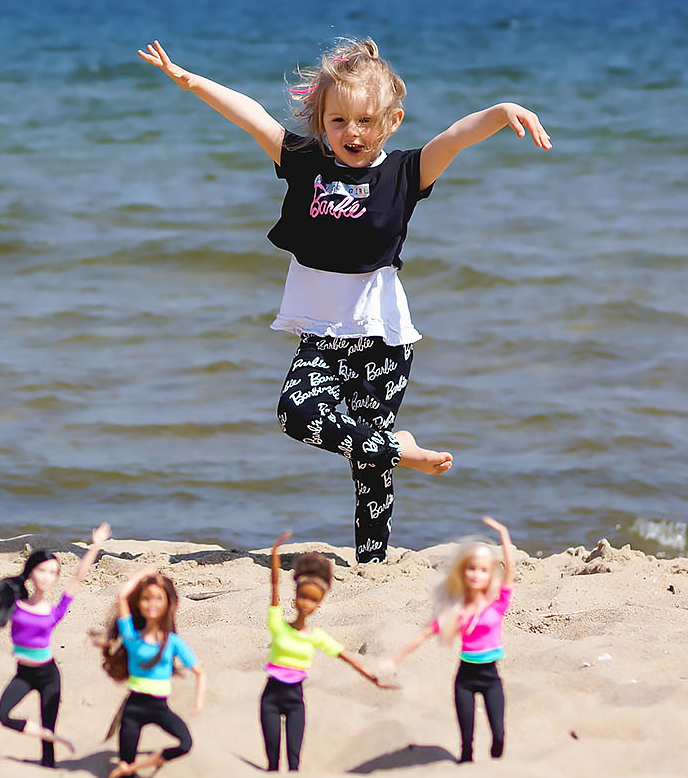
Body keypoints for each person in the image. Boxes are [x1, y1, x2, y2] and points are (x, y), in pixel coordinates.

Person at [139, 37, 552, 563]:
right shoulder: (305, 161)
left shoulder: (405, 173)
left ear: (390, 120)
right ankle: (400, 448)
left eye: (363, 121)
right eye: (337, 121)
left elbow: (453, 139)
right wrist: (190, 80)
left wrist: (500, 112)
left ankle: (372, 562)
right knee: (295, 413)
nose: (350, 133)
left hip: (382, 337)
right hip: (323, 335)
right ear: (322, 120)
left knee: (367, 466)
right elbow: (253, 118)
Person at [0, 524, 111, 767]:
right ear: (31, 571)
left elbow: (79, 575)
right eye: (42, 570)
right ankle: (52, 736)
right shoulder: (14, 605)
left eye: (53, 572)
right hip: (24, 675)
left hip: (48, 675)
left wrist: (96, 544)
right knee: (4, 715)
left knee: (48, 740)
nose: (47, 577)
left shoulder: (54, 611)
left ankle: (49, 758)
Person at [259, 531, 397, 772]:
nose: (305, 603)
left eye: (312, 600)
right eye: (302, 596)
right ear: (296, 595)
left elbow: (346, 657)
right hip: (270, 697)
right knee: (272, 760)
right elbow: (274, 591)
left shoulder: (316, 636)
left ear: (319, 603)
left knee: (294, 761)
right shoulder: (278, 626)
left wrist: (373, 678)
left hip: (295, 701)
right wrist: (274, 554)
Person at [392, 516, 515, 763]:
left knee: (499, 735)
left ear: (490, 575)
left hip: (491, 678)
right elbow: (426, 633)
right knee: (466, 743)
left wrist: (503, 533)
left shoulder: (498, 605)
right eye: (471, 568)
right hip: (465, 678)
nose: (476, 575)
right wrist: (396, 658)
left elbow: (510, 568)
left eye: (483, 570)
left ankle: (495, 753)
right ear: (463, 572)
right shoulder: (457, 611)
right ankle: (467, 764)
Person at [98, 567, 206, 778]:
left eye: (158, 598)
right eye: (146, 598)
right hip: (133, 709)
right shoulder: (131, 636)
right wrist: (143, 574)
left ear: (169, 604)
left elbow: (199, 671)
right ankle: (128, 771)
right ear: (138, 603)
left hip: (159, 707)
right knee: (125, 773)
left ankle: (135, 767)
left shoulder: (172, 641)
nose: (152, 604)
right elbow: (122, 596)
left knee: (185, 744)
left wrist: (199, 703)